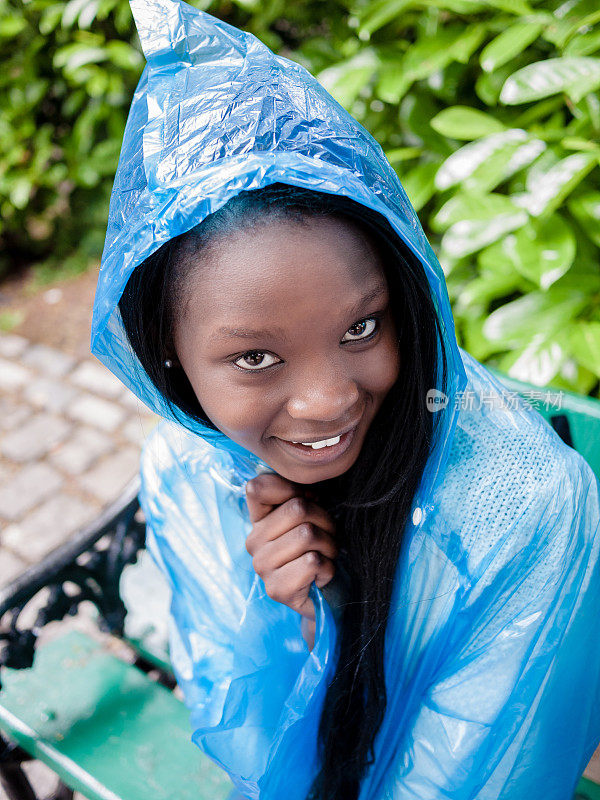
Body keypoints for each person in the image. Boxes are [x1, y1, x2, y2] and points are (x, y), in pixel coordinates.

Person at [91, 0, 600, 798]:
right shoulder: (189, 466)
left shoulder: (528, 509)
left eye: (362, 326)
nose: (328, 401)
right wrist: (297, 625)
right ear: (170, 363)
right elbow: (254, 756)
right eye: (255, 356)